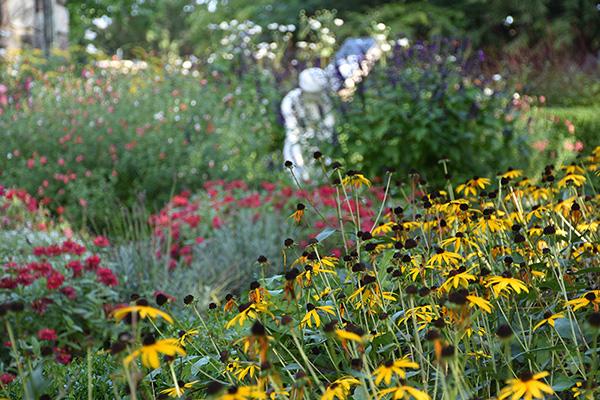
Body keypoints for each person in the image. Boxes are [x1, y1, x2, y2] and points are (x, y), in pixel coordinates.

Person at [281, 67, 334, 181]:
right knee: (296, 176)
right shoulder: (290, 101)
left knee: (323, 177)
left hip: (319, 142)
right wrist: (300, 162)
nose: (317, 96)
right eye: (314, 93)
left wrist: (323, 144)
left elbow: (329, 123)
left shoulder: (323, 100)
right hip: (297, 143)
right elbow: (293, 134)